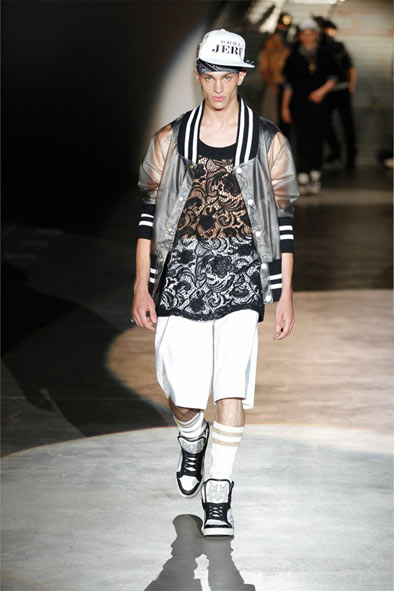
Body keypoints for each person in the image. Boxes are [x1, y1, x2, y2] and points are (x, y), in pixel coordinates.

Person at [132, 29, 299, 536]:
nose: (219, 87)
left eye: (228, 76)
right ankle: (191, 437)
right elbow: (148, 217)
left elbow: (284, 222)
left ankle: (219, 494)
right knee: (181, 391)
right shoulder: (169, 139)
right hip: (180, 271)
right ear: (199, 76)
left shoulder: (268, 141)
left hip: (241, 271)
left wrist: (285, 293)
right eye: (210, 76)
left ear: (242, 76)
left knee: (231, 384)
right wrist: (141, 284)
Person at [281, 18, 337, 194]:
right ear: (299, 36)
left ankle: (315, 172)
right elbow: (288, 84)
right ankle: (303, 173)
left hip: (320, 104)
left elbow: (334, 77)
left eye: (310, 33)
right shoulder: (293, 56)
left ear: (316, 35)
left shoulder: (325, 54)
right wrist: (284, 107)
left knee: (317, 137)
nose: (307, 37)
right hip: (299, 104)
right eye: (303, 34)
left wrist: (321, 92)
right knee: (300, 138)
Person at [318, 18, 358, 170]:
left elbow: (351, 67)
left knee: (347, 124)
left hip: (342, 89)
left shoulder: (340, 47)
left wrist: (350, 87)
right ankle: (335, 150)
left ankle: (350, 156)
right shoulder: (320, 47)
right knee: (324, 122)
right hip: (327, 92)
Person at [258, 12, 293, 128]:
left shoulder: (288, 43)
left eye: (287, 26)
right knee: (272, 119)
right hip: (274, 84)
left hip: (287, 85)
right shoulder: (270, 42)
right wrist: (272, 84)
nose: (284, 28)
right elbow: (264, 66)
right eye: (282, 25)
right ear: (278, 25)